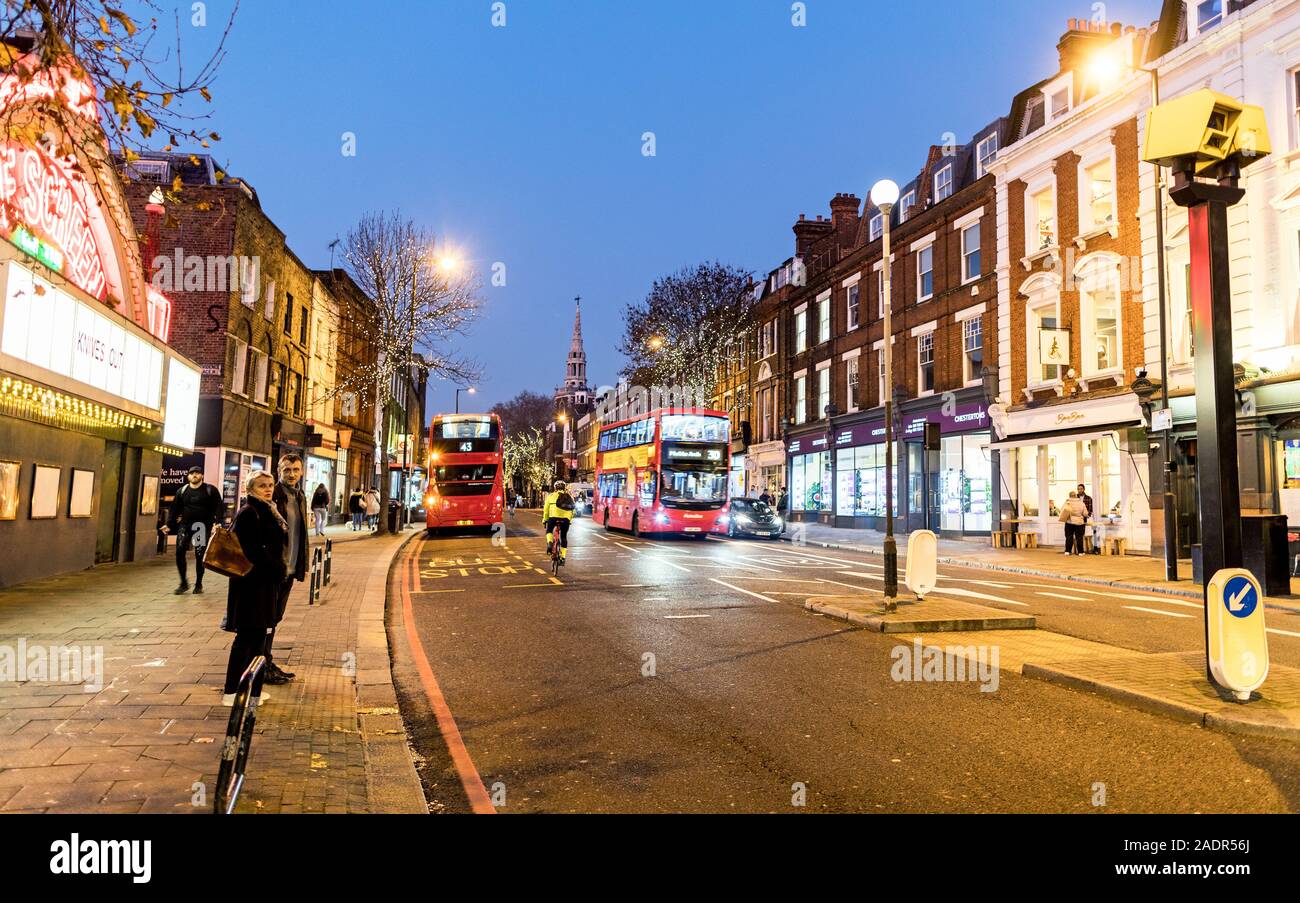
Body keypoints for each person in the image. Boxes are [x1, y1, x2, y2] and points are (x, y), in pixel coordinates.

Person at [222, 469, 287, 707]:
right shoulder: (250, 513)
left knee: (258, 637)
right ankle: (232, 691)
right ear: (250, 489)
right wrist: (276, 568)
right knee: (247, 638)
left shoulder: (267, 509)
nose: (268, 489)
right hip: (251, 586)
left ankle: (253, 692)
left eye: (270, 484)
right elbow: (252, 551)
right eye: (262, 485)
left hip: (263, 585)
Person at [265, 454, 309, 686]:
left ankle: (266, 662)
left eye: (295, 469)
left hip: (290, 568)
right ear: (278, 470)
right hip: (275, 568)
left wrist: (302, 564)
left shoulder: (300, 496)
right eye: (287, 470)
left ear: (301, 471)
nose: (291, 474)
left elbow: (300, 534)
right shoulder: (273, 495)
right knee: (268, 618)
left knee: (276, 617)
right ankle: (263, 665)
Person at [162, 465, 223, 595]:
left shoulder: (209, 490)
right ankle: (183, 583)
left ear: (202, 476)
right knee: (179, 551)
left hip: (201, 526)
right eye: (191, 473)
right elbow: (174, 509)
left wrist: (218, 522)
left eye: (197, 473)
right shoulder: (182, 491)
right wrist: (169, 524)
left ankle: (199, 583)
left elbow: (219, 507)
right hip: (185, 525)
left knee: (199, 554)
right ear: (188, 476)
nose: (194, 475)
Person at [542, 479, 576, 563]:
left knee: (549, 530)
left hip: (553, 518)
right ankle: (563, 558)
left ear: (555, 488)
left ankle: (550, 542)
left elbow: (546, 510)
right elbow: (573, 511)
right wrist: (570, 520)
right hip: (565, 519)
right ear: (564, 488)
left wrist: (545, 520)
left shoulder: (551, 496)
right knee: (563, 536)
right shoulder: (569, 497)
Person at [1060, 491, 1087, 555]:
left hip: (1069, 522)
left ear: (1069, 496)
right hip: (1079, 522)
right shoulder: (1081, 503)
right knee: (1079, 537)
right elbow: (1085, 513)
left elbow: (1062, 511)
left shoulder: (1067, 503)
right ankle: (1080, 552)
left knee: (1069, 537)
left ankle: (1067, 551)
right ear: (1076, 496)